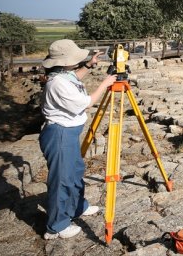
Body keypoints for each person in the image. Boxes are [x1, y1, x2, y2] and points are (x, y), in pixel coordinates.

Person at [39, 39, 116, 239]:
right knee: (62, 180)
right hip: (59, 134)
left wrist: (89, 65)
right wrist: (105, 83)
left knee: (75, 173)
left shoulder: (61, 75)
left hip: (68, 133)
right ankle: (57, 225)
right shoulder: (57, 83)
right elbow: (87, 103)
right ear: (64, 62)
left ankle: (77, 207)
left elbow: (74, 76)